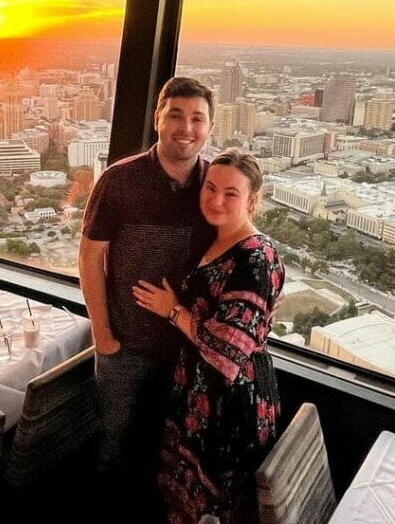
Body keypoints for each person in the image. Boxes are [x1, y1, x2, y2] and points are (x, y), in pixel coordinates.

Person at [79, 76, 216, 521]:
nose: (186, 127)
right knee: (113, 450)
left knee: (167, 455)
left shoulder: (211, 187)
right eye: (175, 114)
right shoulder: (120, 180)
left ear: (210, 127)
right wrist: (103, 335)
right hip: (126, 347)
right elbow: (90, 258)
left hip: (185, 351)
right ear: (157, 117)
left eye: (198, 118)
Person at [133, 149, 284, 524]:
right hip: (197, 392)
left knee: (219, 505)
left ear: (253, 201)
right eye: (210, 188)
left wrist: (172, 311)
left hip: (231, 402)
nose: (216, 200)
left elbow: (227, 350)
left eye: (231, 193)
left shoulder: (255, 258)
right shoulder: (217, 238)